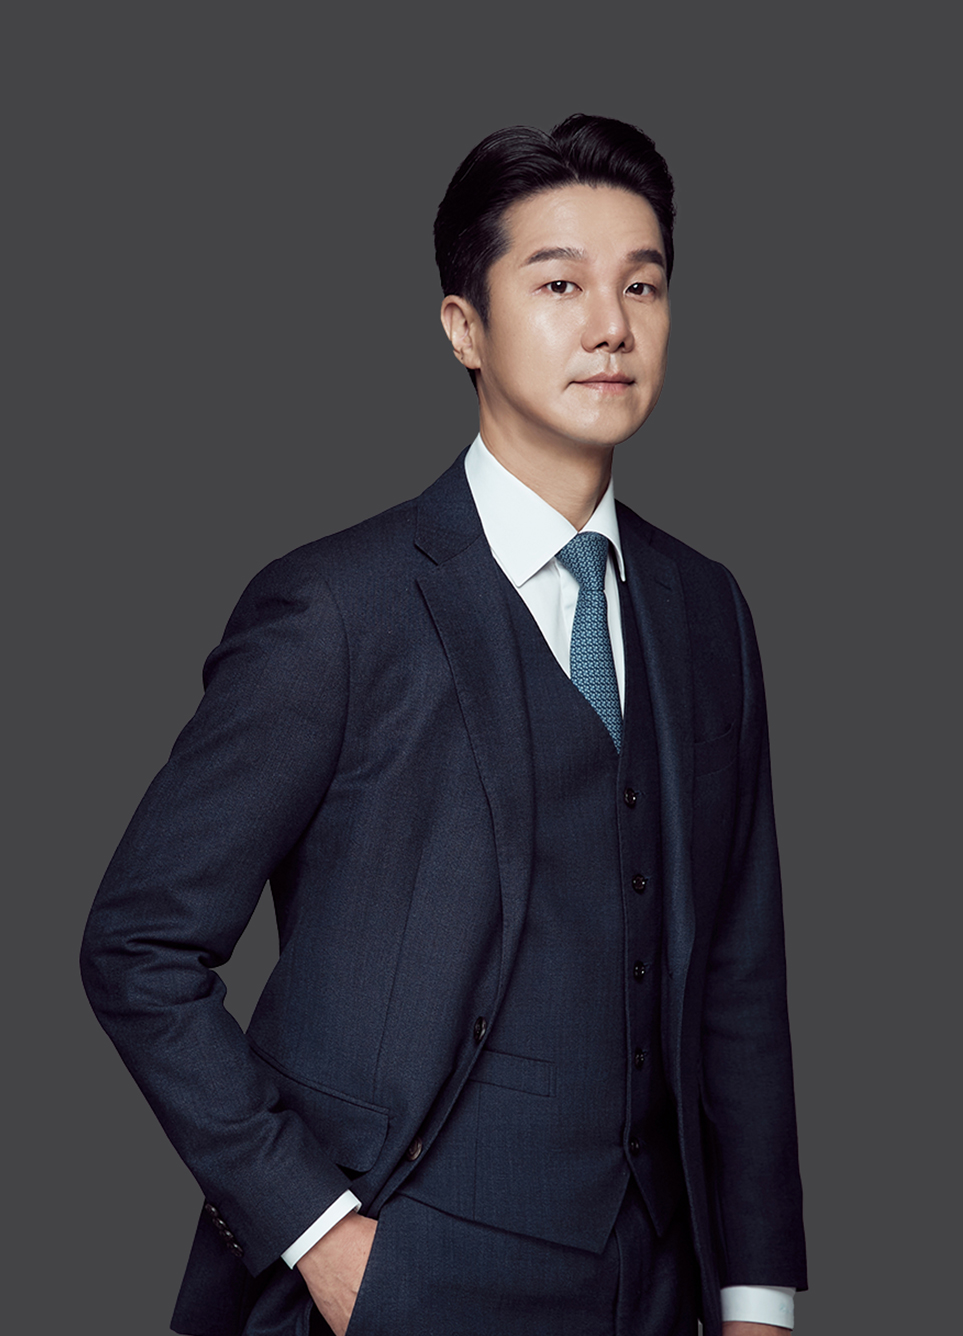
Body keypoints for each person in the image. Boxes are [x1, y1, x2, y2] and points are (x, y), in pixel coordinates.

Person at [81, 114, 807, 1336]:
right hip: (406, 1267)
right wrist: (319, 1235)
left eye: (641, 285)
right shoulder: (336, 610)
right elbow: (137, 945)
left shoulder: (705, 609)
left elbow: (738, 970)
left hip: (658, 1287)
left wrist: (756, 1295)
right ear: (463, 326)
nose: (611, 325)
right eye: (560, 284)